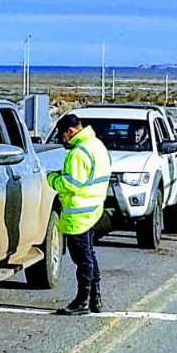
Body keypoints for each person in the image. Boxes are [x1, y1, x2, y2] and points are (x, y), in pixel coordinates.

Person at [48, 113, 111, 315]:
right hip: (92, 209)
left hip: (78, 212)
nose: (63, 140)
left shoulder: (78, 153)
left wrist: (52, 179)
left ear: (70, 131)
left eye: (63, 135)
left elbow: (71, 184)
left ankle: (82, 301)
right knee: (89, 254)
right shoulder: (96, 145)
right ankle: (95, 298)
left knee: (83, 259)